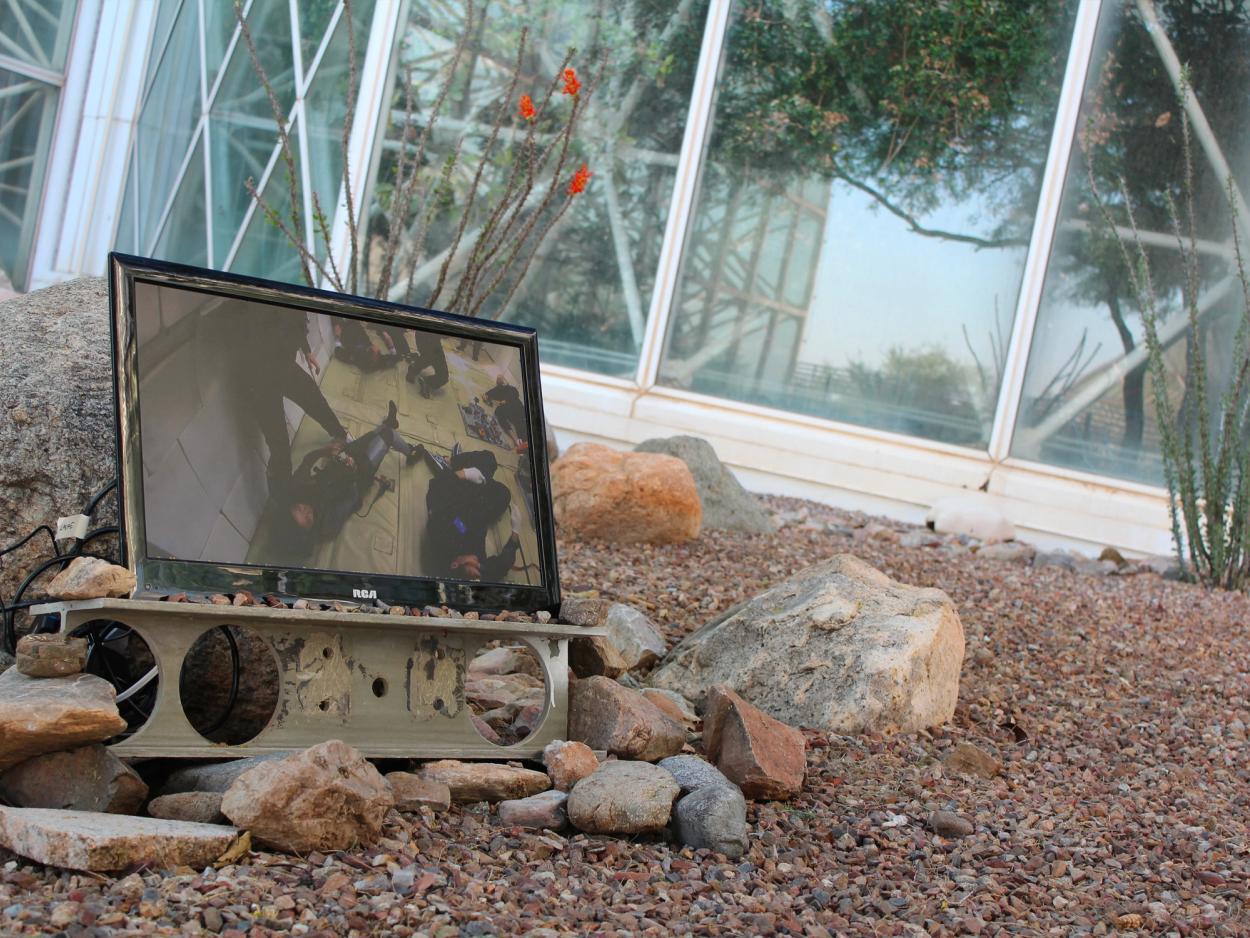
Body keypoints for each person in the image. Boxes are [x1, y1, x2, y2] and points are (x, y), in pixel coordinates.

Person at [273, 401, 419, 561]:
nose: (306, 510)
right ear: (308, 532)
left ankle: (388, 425)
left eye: (298, 508)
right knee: (388, 435)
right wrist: (351, 470)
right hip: (358, 477)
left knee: (373, 436)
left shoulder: (295, 493)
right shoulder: (329, 523)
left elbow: (307, 461)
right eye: (307, 518)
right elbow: (352, 496)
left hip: (339, 465)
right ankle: (410, 454)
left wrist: (325, 452)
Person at [235, 310, 347, 492]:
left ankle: (340, 434)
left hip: (282, 366)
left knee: (313, 397)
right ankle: (282, 499)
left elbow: (295, 322)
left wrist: (307, 350)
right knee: (280, 446)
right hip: (260, 376)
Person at [419, 445, 520, 581]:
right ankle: (472, 469)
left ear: (455, 564)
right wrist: (515, 531)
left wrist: (464, 474)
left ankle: (451, 464)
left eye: (474, 565)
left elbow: (437, 495)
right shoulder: (475, 566)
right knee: (503, 493)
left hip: (455, 497)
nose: (478, 562)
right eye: (479, 568)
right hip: (480, 510)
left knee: (487, 460)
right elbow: (501, 566)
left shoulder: (442, 538)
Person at [333, 319, 401, 372]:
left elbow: (338, 352)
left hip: (344, 328)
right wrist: (392, 348)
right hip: (355, 325)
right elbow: (395, 358)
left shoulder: (357, 357)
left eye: (376, 349)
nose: (378, 347)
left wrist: (338, 339)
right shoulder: (379, 361)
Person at [484, 376, 528, 453]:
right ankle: (518, 441)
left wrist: (506, 400)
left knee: (520, 422)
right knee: (500, 413)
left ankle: (521, 442)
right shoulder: (497, 389)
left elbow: (515, 395)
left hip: (516, 406)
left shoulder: (511, 388)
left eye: (502, 379)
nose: (502, 381)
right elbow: (486, 395)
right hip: (510, 408)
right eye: (500, 380)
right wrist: (489, 400)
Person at [406, 331, 449, 398]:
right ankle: (427, 381)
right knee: (443, 375)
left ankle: (414, 368)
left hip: (426, 337)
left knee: (429, 356)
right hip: (428, 338)